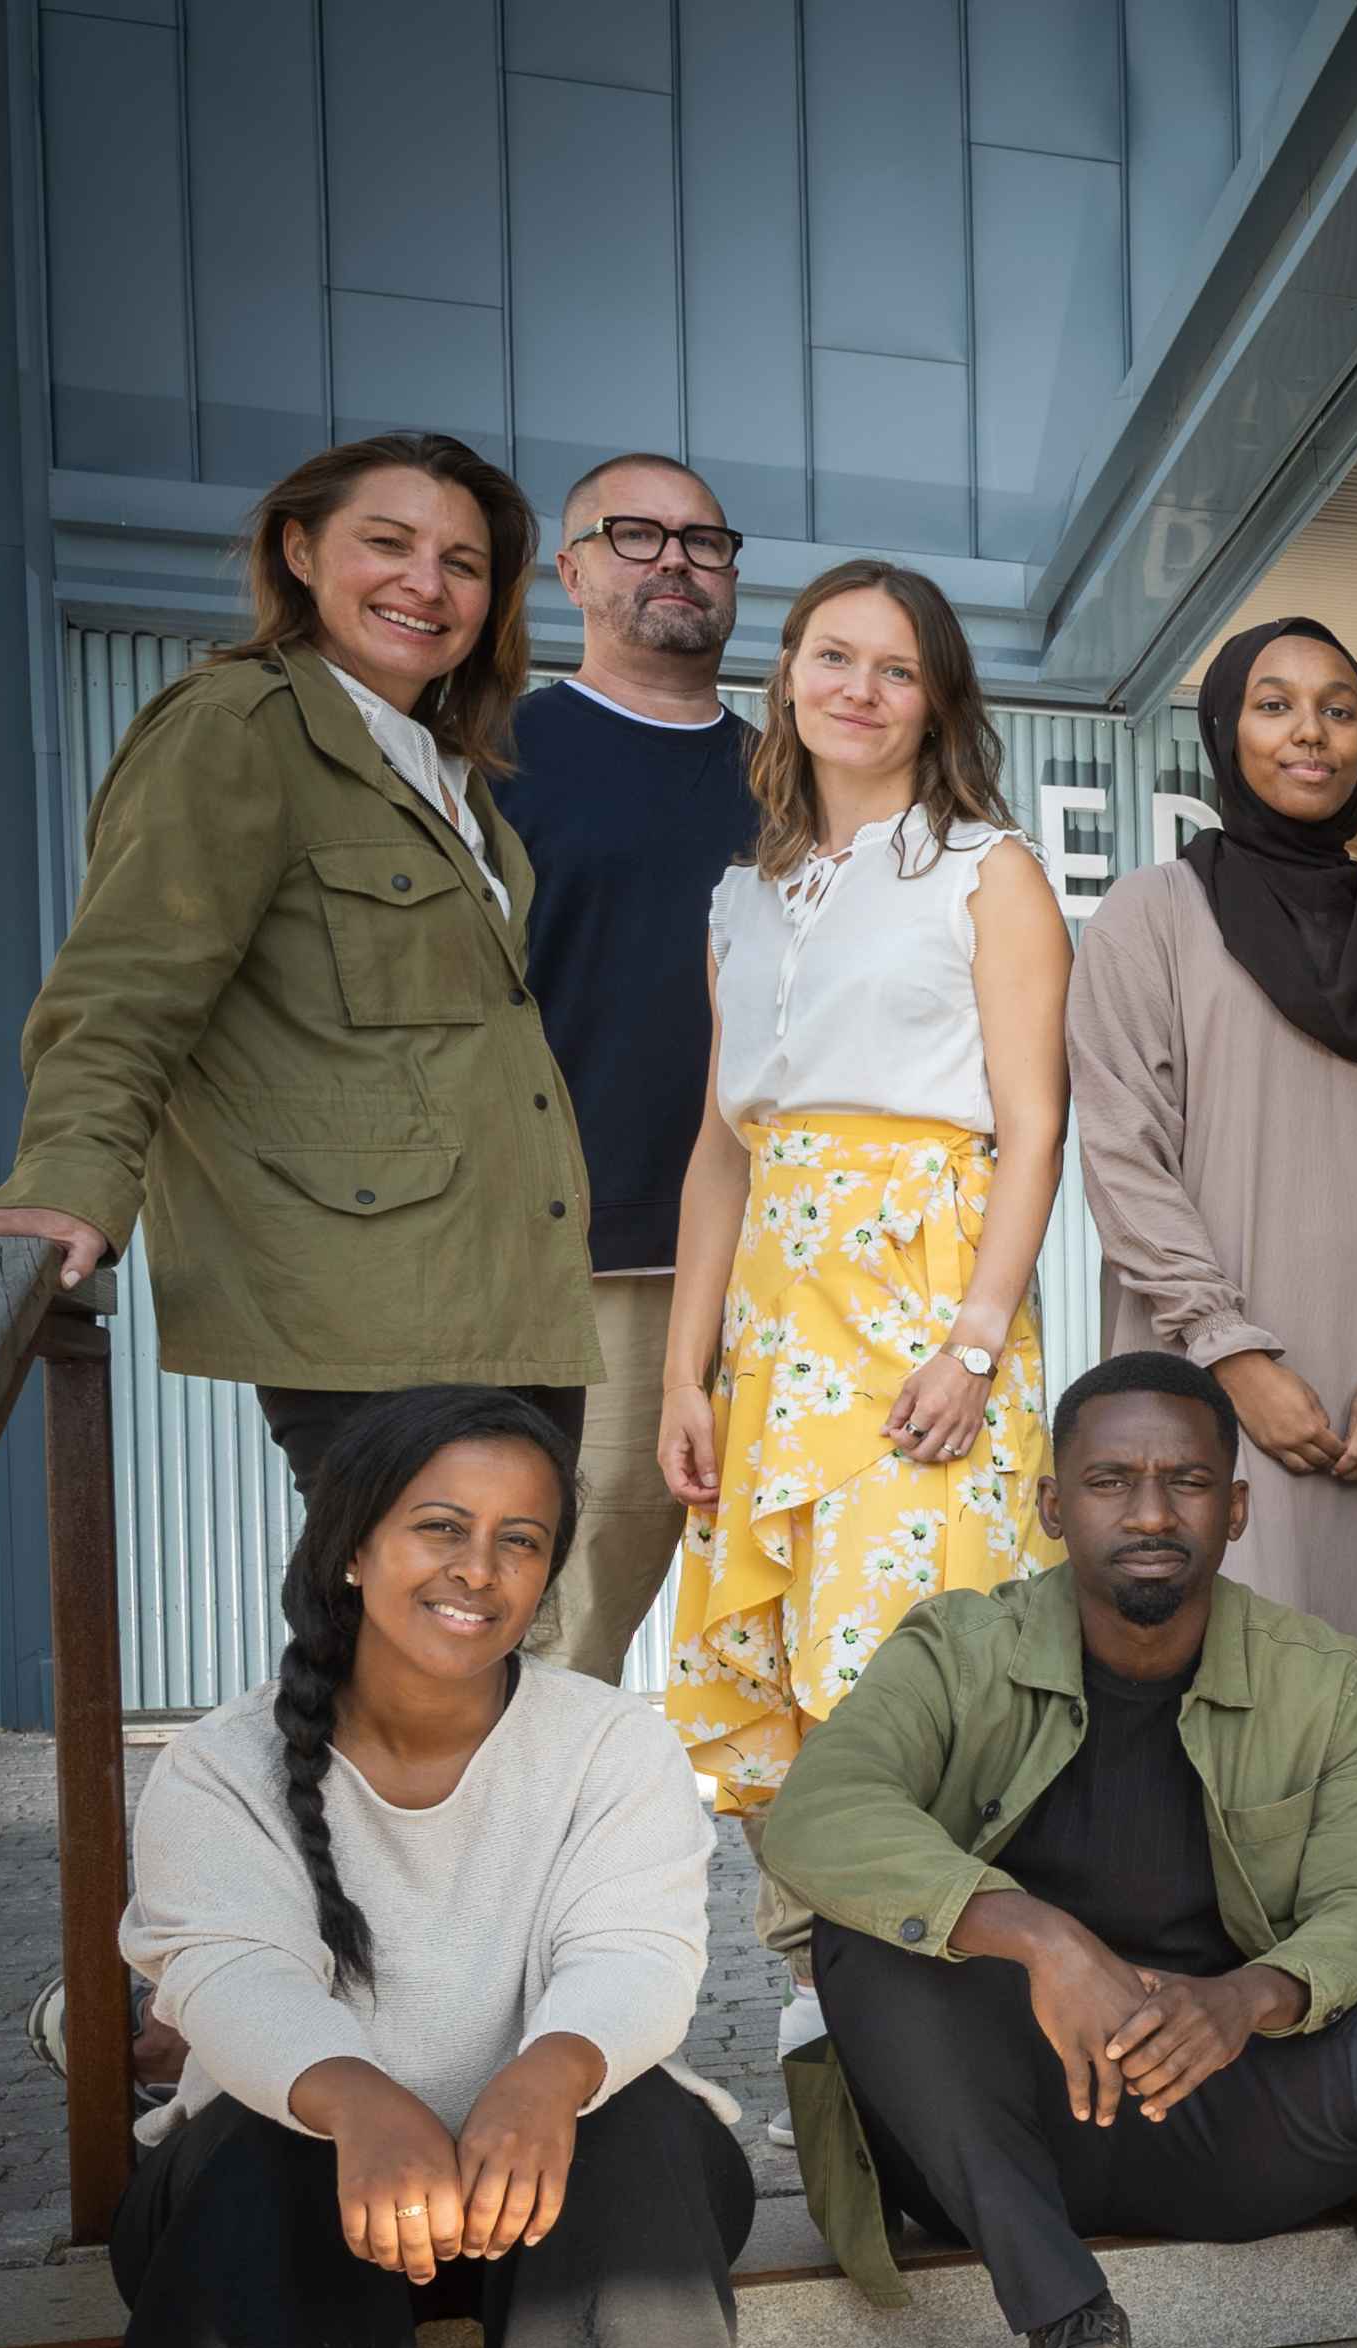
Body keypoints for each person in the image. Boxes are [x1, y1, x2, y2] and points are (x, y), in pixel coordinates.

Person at [65, 1389, 753, 2348]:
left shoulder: (607, 1744)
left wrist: (545, 2075)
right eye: (440, 1528)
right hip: (298, 2200)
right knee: (256, 2157)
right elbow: (226, 1971)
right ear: (353, 1549)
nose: (478, 1571)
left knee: (637, 2126)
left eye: (521, 1541)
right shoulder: (221, 1761)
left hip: (556, 2194)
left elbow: (640, 1954)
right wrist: (360, 2099)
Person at [759, 1352, 1357, 2348]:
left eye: (1185, 1482)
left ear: (1236, 1507)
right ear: (1053, 1505)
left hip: (1230, 2110)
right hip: (1003, 2130)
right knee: (865, 1942)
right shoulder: (957, 1647)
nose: (1149, 1511)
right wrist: (1041, 1940)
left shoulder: (1326, 1679)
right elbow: (818, 1816)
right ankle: (1069, 2327)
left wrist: (1250, 1998)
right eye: (1110, 1482)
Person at [0, 432, 594, 1495]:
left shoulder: (447, 769)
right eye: (386, 544)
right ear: (300, 552)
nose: (425, 584)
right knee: (411, 1583)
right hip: (371, 1292)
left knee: (491, 1587)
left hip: (512, 1283)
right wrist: (65, 1182)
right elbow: (128, 989)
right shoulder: (235, 728)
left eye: (463, 563)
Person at [655, 559, 1069, 1814]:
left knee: (911, 1645)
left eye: (899, 670)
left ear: (937, 705)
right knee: (782, 1661)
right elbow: (722, 1148)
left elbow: (1035, 1127)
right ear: (787, 675)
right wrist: (684, 1376)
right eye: (833, 657)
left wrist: (976, 1346)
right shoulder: (743, 898)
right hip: (774, 1324)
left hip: (923, 1310)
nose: (860, 689)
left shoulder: (987, 870)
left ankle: (935, 1923)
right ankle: (812, 1938)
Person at [1068, 615, 1357, 1649]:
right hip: (1205, 1383)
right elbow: (1124, 1159)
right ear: (1226, 732)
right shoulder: (1151, 917)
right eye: (1274, 706)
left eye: (1338, 710)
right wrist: (1231, 1359)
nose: (1310, 732)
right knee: (1220, 1674)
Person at [491, 452, 761, 1675]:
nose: (675, 561)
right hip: (590, 1263)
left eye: (703, 541)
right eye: (635, 535)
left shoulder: (793, 777)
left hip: (787, 1259)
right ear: (571, 569)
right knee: (564, 1619)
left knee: (785, 1610)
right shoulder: (496, 756)